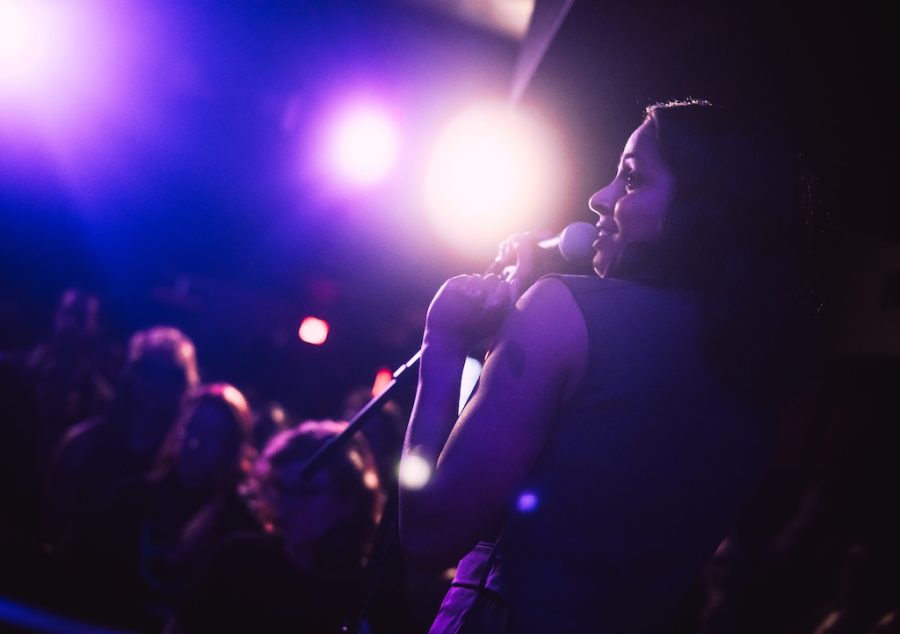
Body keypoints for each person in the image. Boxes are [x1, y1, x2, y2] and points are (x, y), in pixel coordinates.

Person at [399, 99, 813, 632]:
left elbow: (429, 536)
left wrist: (442, 344)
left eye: (632, 179)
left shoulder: (561, 311)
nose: (600, 198)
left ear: (701, 210)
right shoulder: (762, 376)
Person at [170, 419, 416, 633]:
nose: (291, 504)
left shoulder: (376, 603)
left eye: (308, 492)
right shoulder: (238, 560)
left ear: (349, 500)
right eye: (284, 490)